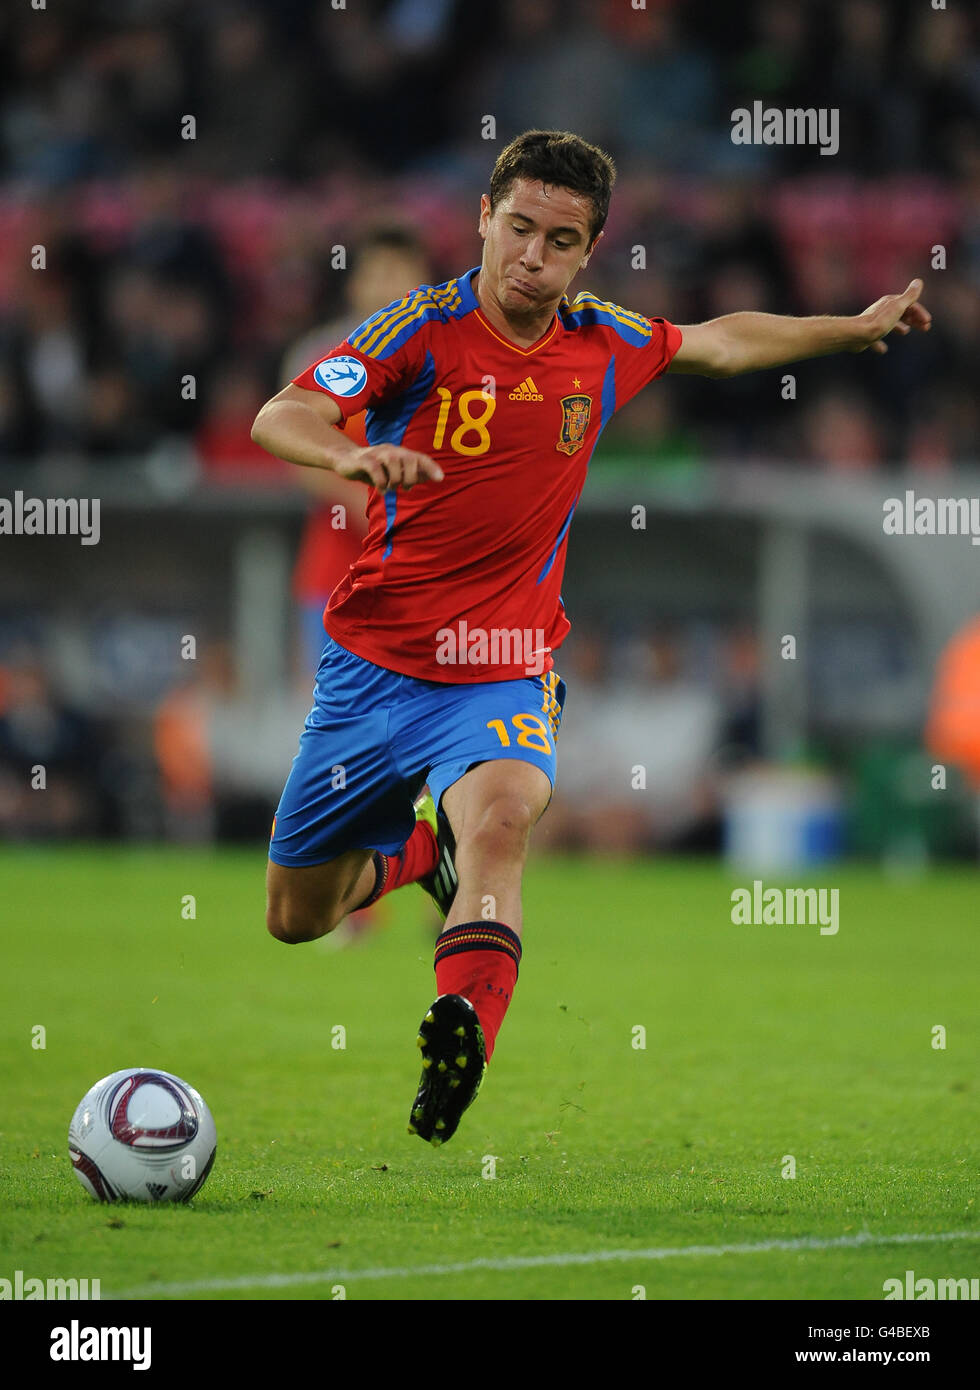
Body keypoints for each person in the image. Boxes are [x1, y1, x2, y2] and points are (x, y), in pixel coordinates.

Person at [251, 128, 931, 1146]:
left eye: (557, 240)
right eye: (517, 228)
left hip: (503, 668)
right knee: (296, 917)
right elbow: (285, 412)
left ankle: (463, 1032)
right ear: (483, 218)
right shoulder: (414, 332)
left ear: (587, 248)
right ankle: (411, 853)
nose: (531, 255)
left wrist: (846, 328)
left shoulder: (599, 341)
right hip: (370, 670)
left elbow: (722, 341)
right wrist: (348, 461)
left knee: (504, 822)